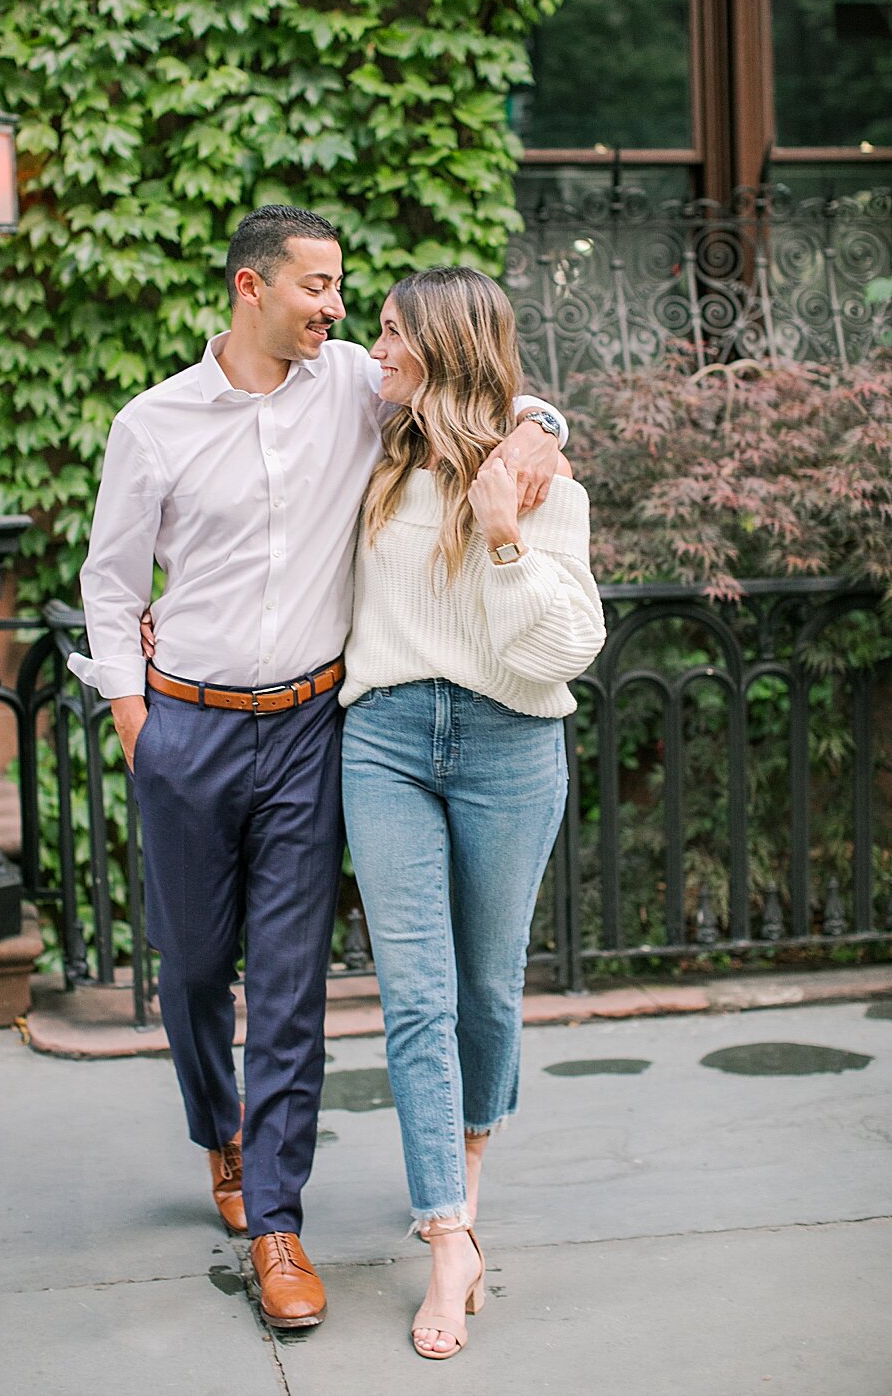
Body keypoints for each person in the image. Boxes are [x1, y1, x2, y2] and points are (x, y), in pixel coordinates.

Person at [67, 207, 569, 1331]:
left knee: (289, 983)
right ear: (254, 288)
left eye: (342, 294)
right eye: (320, 287)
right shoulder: (152, 424)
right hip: (184, 726)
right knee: (195, 968)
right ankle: (220, 1129)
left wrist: (541, 424)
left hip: (309, 729)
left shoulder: (352, 384)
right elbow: (110, 581)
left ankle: (278, 1223)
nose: (339, 310)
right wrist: (135, 719)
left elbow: (475, 382)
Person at [339, 267, 606, 1359]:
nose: (375, 346)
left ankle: (469, 1180)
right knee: (414, 993)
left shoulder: (543, 491)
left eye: (394, 332)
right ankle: (446, 1234)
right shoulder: (373, 441)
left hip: (509, 742)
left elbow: (560, 652)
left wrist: (502, 535)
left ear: (441, 347)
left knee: (487, 988)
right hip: (387, 740)